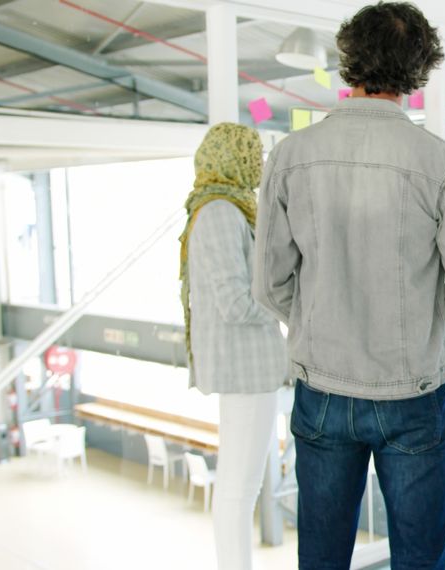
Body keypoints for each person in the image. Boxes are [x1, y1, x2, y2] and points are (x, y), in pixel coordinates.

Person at [251, 3, 445, 569]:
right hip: (412, 389)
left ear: (348, 59)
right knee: (418, 558)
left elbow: (268, 284)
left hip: (322, 385)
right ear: (419, 69)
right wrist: (431, 335)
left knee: (323, 555)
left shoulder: (290, 157)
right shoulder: (441, 164)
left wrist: (314, 322)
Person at [179, 122, 287, 570]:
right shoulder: (222, 212)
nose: (259, 163)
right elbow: (235, 303)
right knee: (239, 489)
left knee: (241, 487)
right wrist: (288, 300)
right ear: (232, 157)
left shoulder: (228, 207)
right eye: (252, 153)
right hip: (247, 371)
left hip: (250, 370)